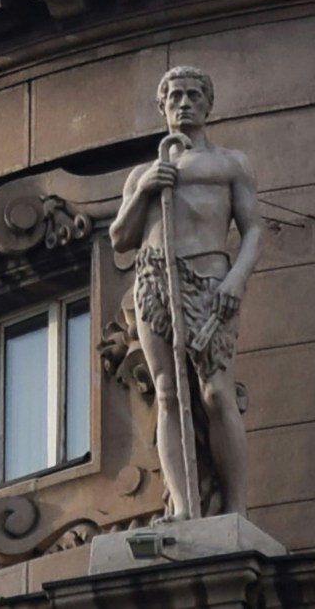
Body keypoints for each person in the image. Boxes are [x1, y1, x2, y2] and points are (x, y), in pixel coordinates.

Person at [111, 65, 264, 520]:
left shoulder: (230, 164)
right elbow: (120, 238)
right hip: (154, 282)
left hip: (210, 283)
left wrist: (237, 278)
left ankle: (236, 507)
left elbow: (254, 230)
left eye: (194, 95)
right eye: (175, 96)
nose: (184, 103)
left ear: (208, 105)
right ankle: (182, 506)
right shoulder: (144, 173)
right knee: (167, 391)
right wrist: (143, 190)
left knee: (216, 393)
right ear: (162, 106)